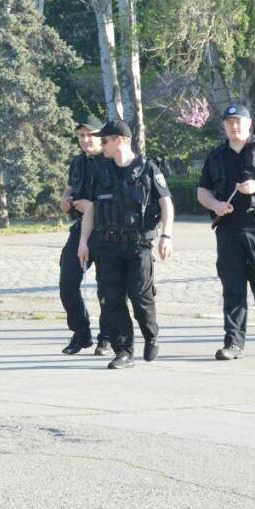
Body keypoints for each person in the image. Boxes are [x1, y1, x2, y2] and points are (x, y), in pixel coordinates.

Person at [77, 120, 174, 370]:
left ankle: (151, 335)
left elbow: (166, 203)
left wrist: (166, 236)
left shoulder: (147, 169)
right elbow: (92, 208)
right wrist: (83, 241)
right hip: (108, 245)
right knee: (112, 300)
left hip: (138, 245)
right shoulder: (101, 171)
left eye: (105, 140)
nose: (101, 145)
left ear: (120, 140)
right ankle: (124, 351)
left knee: (140, 297)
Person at [197, 104, 255, 360]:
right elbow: (202, 191)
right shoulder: (216, 155)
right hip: (228, 227)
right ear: (224, 126)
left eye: (239, 122)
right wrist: (215, 205)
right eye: (229, 123)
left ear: (249, 124)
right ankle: (233, 342)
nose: (234, 126)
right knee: (233, 287)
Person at [59, 115, 111, 356]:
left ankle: (107, 337)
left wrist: (92, 206)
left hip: (107, 230)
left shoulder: (111, 162)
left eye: (90, 135)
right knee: (67, 283)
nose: (85, 140)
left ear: (101, 137)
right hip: (81, 228)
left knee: (107, 288)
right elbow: (71, 186)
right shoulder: (78, 162)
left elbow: (118, 199)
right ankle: (81, 333)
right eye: (81, 135)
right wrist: (65, 199)